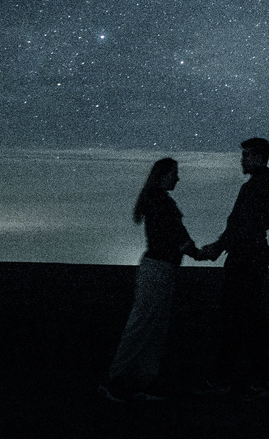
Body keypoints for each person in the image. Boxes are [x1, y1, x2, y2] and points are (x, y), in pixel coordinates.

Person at [102, 157, 210, 402]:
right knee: (143, 326)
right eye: (175, 173)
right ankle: (117, 381)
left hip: (161, 269)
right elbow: (178, 236)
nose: (178, 178)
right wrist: (200, 254)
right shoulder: (161, 201)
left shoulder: (155, 200)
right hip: (158, 270)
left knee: (153, 327)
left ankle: (139, 381)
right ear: (163, 175)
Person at [198, 137, 269, 398]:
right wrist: (222, 244)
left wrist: (219, 246)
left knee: (238, 317)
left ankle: (234, 378)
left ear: (258, 157)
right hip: (250, 255)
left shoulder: (256, 187)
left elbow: (243, 224)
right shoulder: (261, 185)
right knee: (246, 316)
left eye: (246, 155)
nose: (242, 159)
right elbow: (242, 224)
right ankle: (249, 378)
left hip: (247, 257)